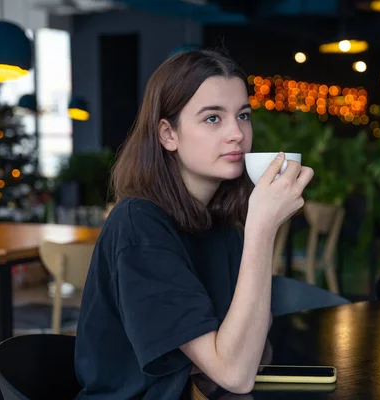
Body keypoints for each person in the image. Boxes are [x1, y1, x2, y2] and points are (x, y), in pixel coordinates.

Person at [74, 49, 314, 399]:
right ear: (168, 134)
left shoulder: (220, 227)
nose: (237, 133)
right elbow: (236, 373)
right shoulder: (139, 225)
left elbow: (253, 356)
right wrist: (262, 229)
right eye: (213, 118)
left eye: (243, 115)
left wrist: (224, 355)